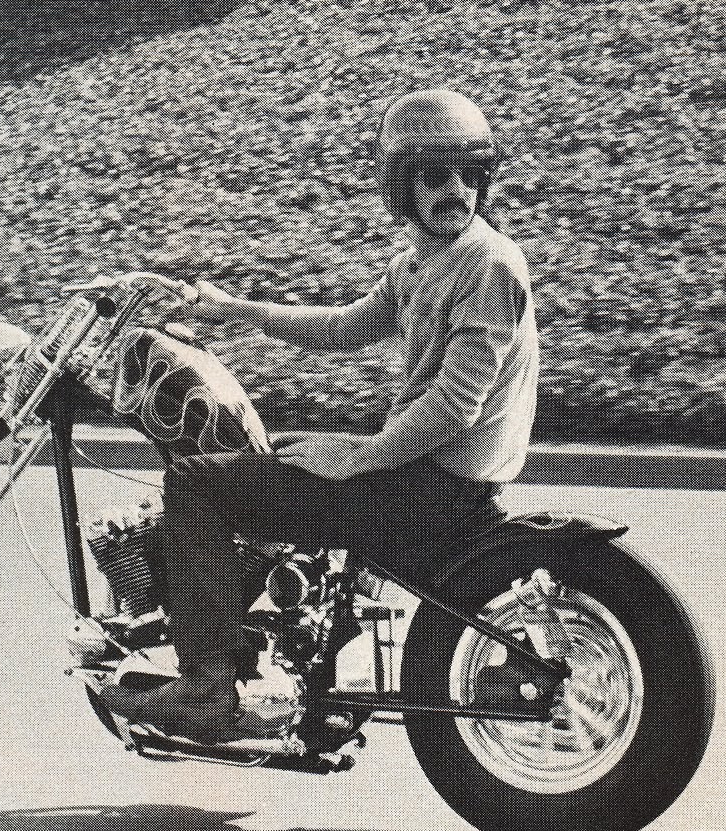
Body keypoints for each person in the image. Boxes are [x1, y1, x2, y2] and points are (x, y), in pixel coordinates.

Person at [100, 88, 540, 743]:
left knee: (196, 481)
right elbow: (344, 327)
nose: (456, 190)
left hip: (430, 487)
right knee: (272, 453)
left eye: (468, 175)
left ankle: (207, 688)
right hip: (427, 477)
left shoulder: (489, 263)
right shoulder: (421, 264)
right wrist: (241, 311)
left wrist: (359, 457)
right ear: (403, 188)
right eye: (435, 175)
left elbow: (455, 405)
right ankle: (294, 639)